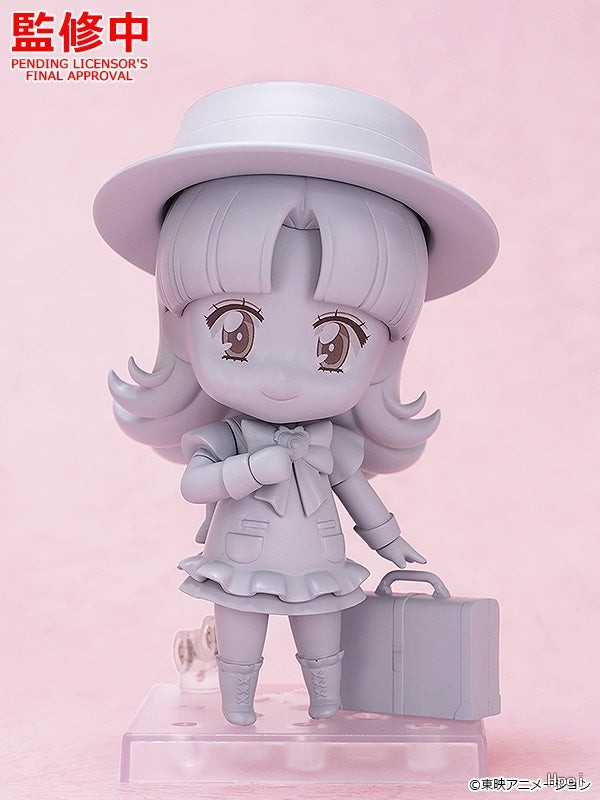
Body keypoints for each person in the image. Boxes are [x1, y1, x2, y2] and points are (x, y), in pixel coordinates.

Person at [94, 83, 499, 726]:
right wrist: (251, 470)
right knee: (242, 641)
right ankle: (238, 711)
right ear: (180, 328)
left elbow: (360, 496)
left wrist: (391, 542)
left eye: (335, 344)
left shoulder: (332, 443)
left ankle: (326, 705)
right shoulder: (227, 438)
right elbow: (196, 486)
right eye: (235, 331)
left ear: (386, 355)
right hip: (239, 561)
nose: (282, 376)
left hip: (320, 561)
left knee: (322, 641)